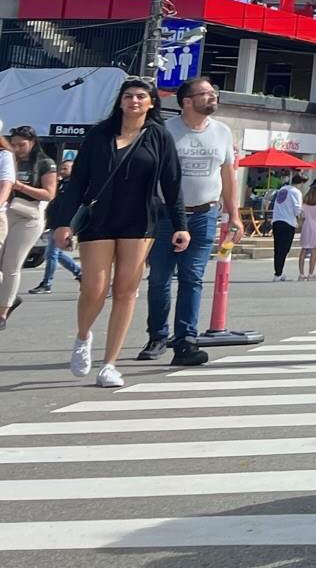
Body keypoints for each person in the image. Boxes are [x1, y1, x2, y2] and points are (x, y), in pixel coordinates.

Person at [50, 77, 188, 389]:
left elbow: (172, 183)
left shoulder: (159, 136)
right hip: (99, 219)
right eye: (129, 96)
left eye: (141, 96)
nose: (135, 101)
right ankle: (83, 336)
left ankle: (109, 364)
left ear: (151, 102)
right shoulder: (100, 134)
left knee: (126, 290)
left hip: (140, 221)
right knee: (94, 288)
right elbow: (78, 181)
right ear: (121, 101)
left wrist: (181, 225)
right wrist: (64, 222)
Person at [138, 76, 239, 365]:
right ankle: (157, 335)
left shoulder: (222, 132)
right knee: (159, 278)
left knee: (192, 278)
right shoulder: (163, 131)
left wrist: (234, 215)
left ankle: (186, 339)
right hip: (165, 215)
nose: (213, 98)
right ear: (186, 101)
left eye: (214, 92)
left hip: (205, 214)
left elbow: (228, 176)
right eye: (206, 94)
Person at [0, 126, 59, 326]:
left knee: (11, 264)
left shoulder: (44, 163)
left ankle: (3, 312)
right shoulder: (10, 160)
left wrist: (19, 185)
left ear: (32, 142)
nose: (17, 148)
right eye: (14, 144)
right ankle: (10, 296)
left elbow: (49, 194)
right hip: (7, 213)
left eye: (21, 144)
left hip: (29, 216)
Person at [29, 156, 82, 294]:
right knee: (53, 254)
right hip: (54, 223)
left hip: (63, 225)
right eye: (61, 168)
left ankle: (47, 283)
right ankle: (80, 272)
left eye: (65, 168)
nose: (61, 171)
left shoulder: (73, 187)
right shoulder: (61, 185)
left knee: (51, 254)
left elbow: (69, 207)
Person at [269, 173, 304, 281]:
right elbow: (297, 208)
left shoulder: (282, 189)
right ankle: (278, 273)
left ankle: (278, 272)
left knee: (278, 248)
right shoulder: (296, 192)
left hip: (277, 220)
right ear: (301, 183)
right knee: (284, 248)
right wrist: (300, 218)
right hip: (288, 222)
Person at [297, 185, 316, 281]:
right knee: (314, 250)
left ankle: (301, 274)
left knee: (304, 249)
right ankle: (311, 273)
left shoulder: (305, 200)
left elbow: (301, 214)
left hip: (307, 226)